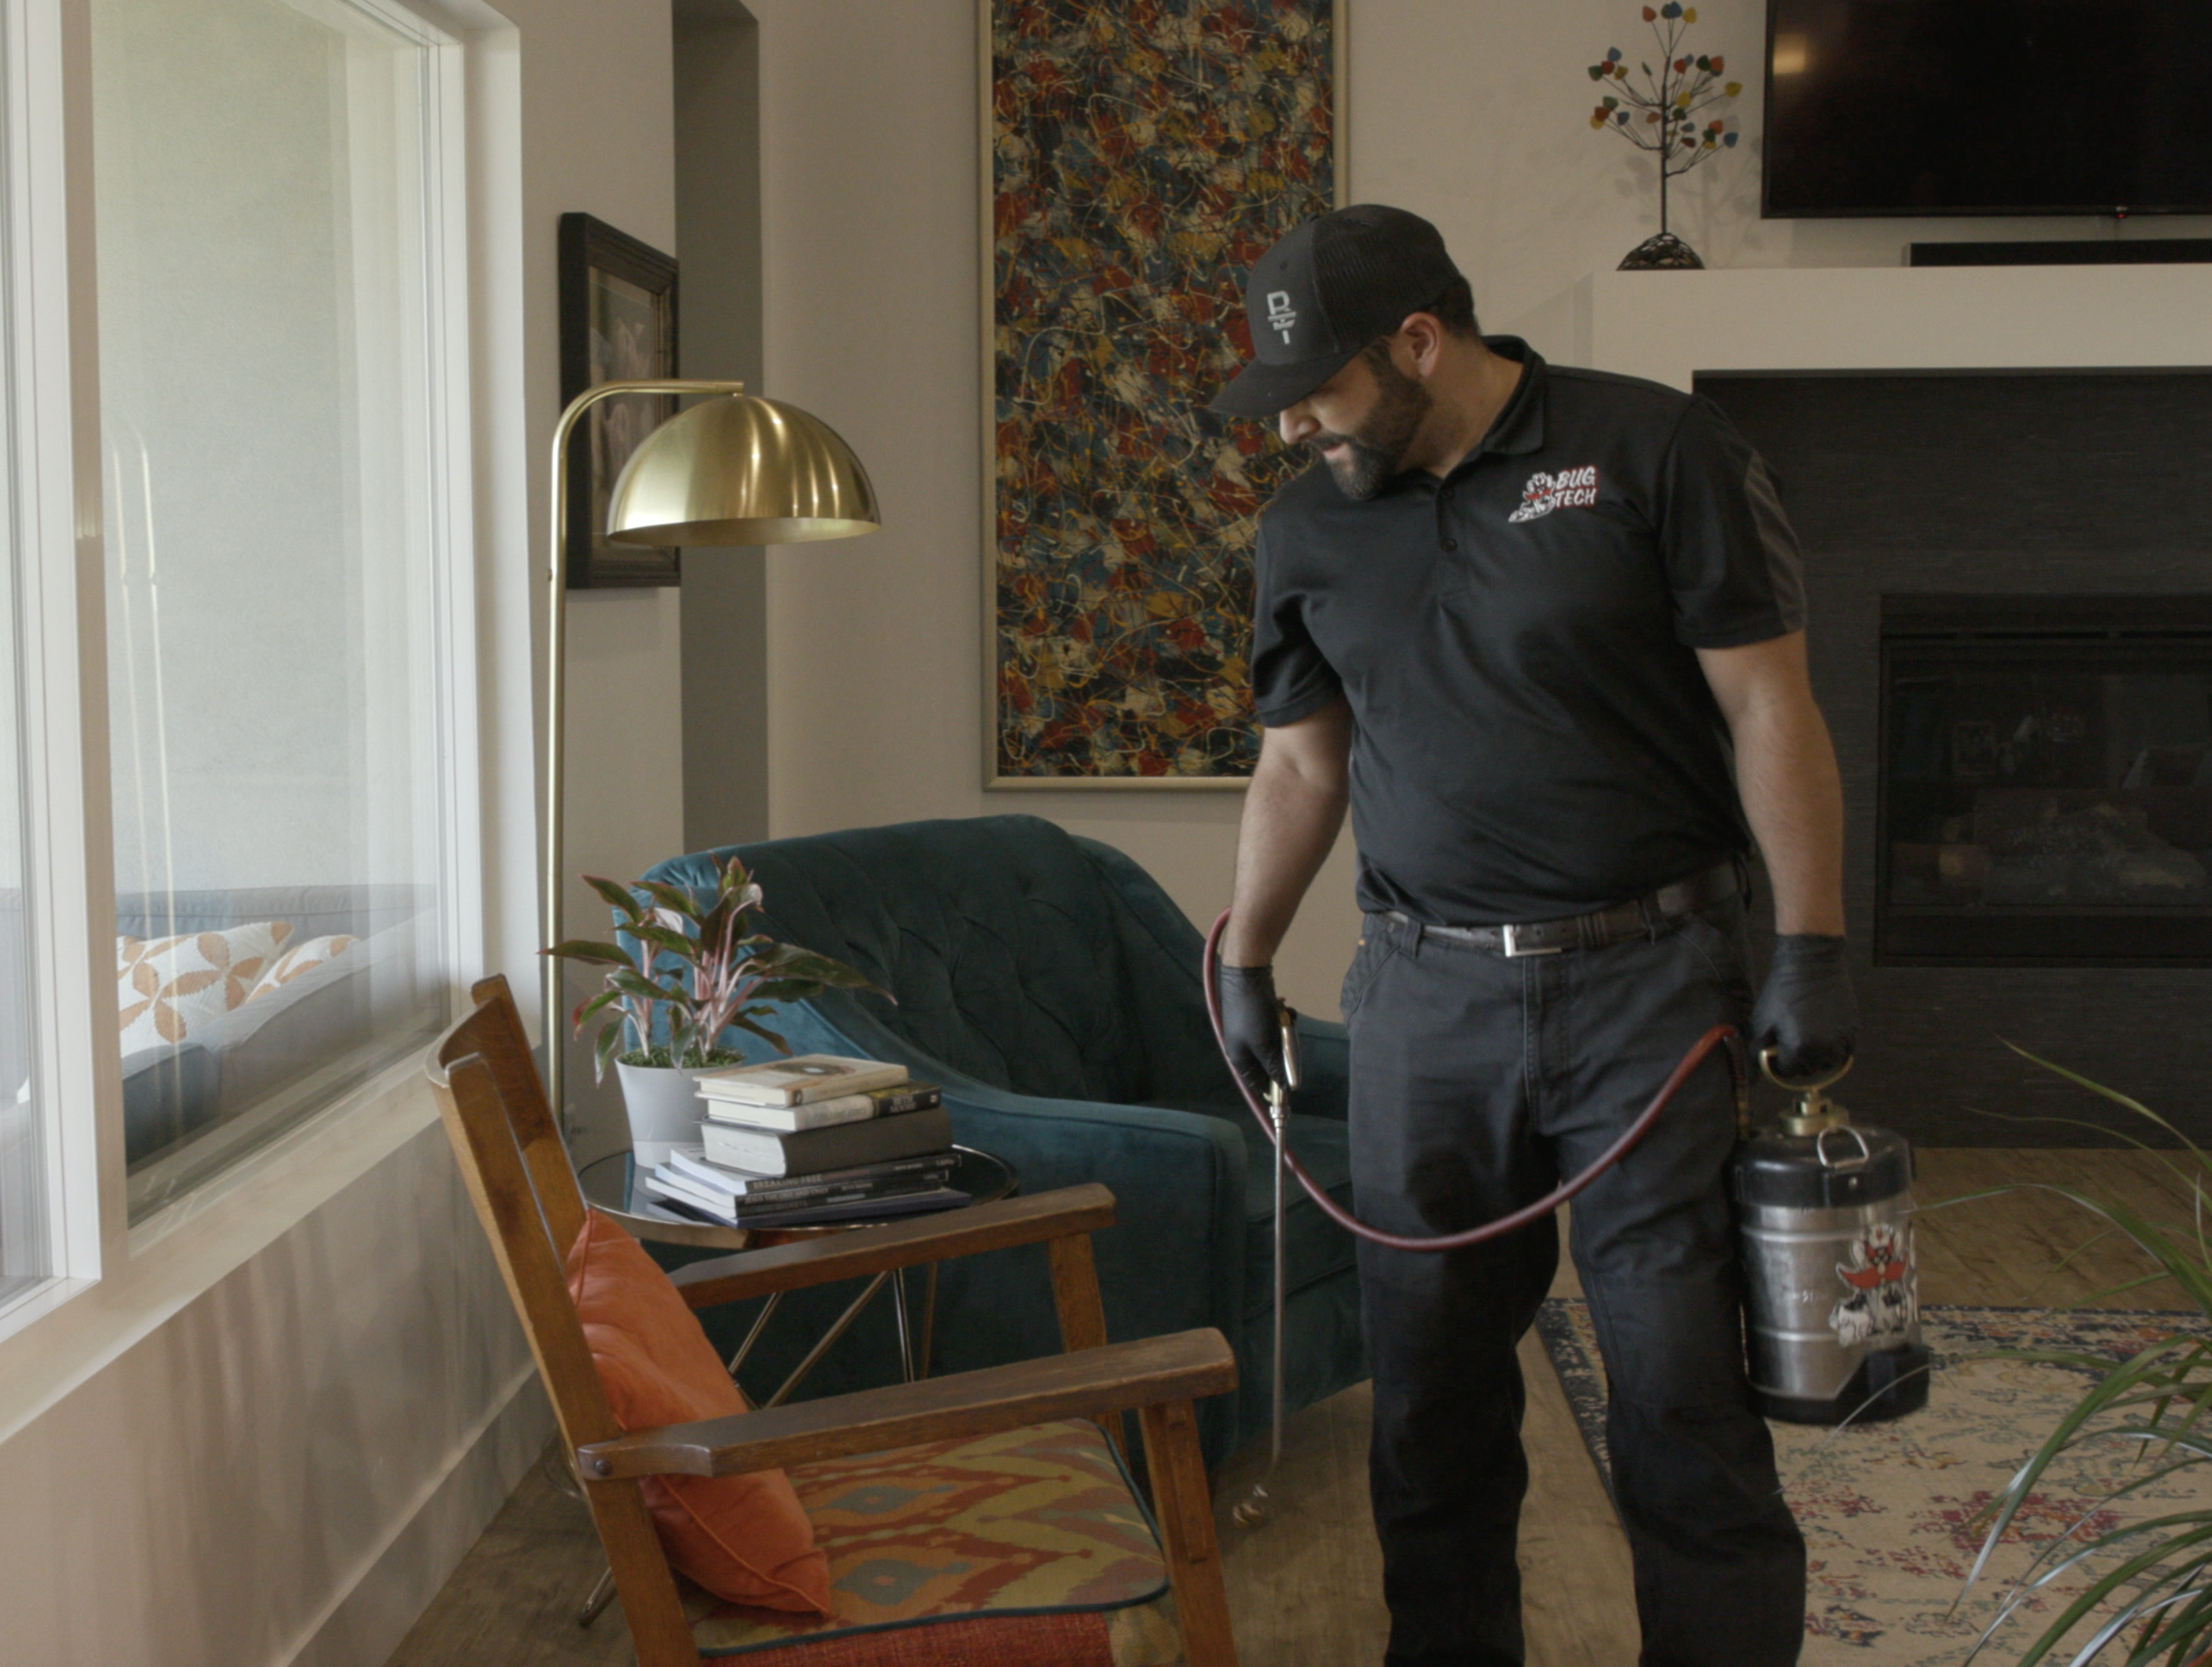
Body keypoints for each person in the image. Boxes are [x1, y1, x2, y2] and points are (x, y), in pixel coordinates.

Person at [1208, 203, 1853, 1667]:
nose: (1295, 422)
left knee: (1682, 1398)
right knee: (1430, 1409)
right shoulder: (1306, 528)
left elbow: (1770, 704)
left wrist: (1811, 944)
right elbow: (1302, 766)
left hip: (1651, 989)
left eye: (1317, 389)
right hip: (1426, 1005)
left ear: (1422, 342)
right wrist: (1247, 957)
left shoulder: (1653, 453)